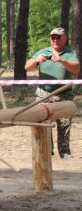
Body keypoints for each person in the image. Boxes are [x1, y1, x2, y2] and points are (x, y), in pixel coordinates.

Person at [24, 27, 79, 158]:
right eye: (53, 37)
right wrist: (36, 60)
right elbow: (27, 67)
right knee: (42, 122)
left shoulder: (69, 53)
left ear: (64, 39)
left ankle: (64, 152)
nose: (55, 40)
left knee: (64, 125)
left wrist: (62, 60)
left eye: (58, 37)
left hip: (64, 94)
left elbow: (76, 69)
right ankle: (46, 150)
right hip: (43, 94)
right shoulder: (43, 52)